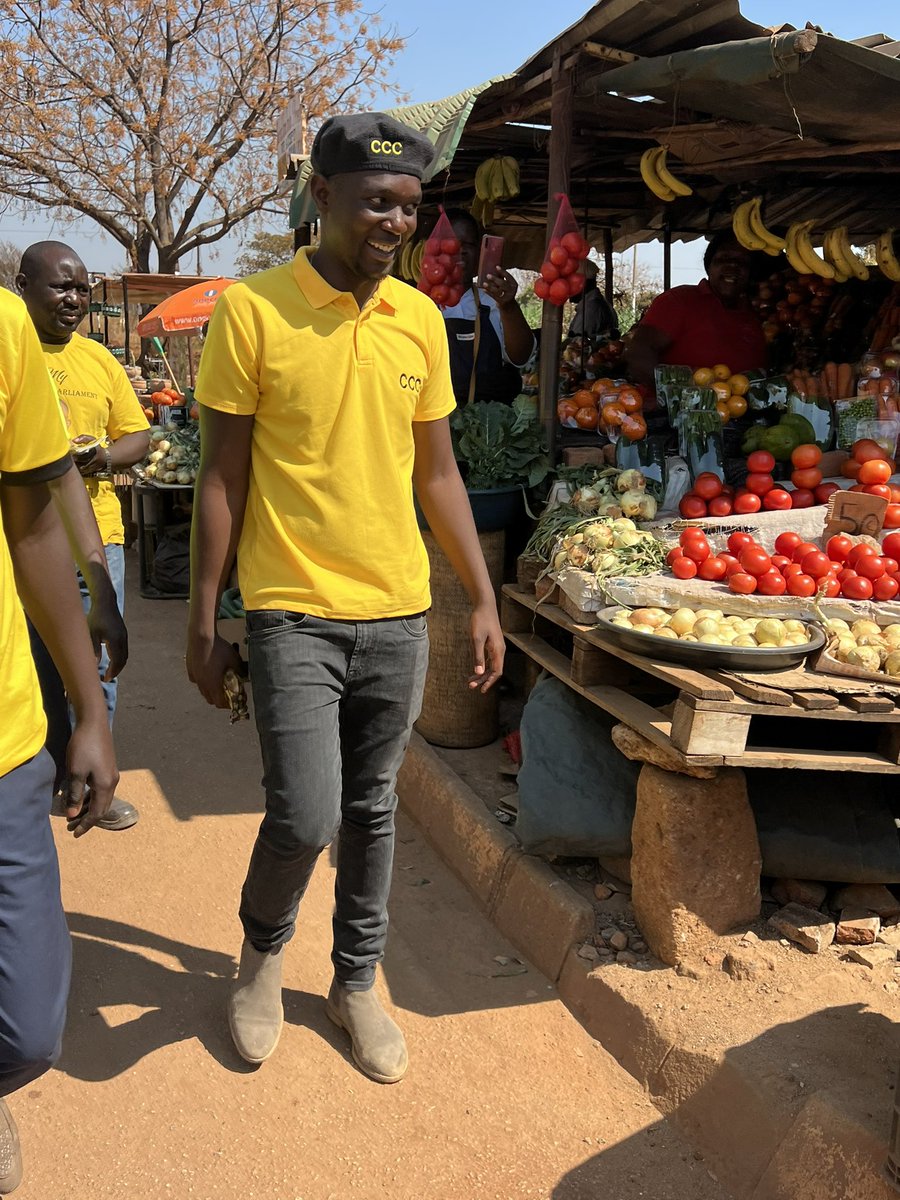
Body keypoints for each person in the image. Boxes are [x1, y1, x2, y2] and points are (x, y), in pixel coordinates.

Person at [186, 112, 505, 1084]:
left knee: (373, 809)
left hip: (400, 611)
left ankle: (356, 980)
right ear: (320, 197)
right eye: (374, 202)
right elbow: (219, 478)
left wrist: (481, 599)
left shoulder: (417, 320)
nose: (393, 223)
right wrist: (207, 618)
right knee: (308, 812)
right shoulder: (253, 312)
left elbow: (439, 474)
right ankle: (262, 950)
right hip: (292, 610)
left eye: (408, 206)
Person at [0, 287, 118, 1194]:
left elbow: (37, 510)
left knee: (27, 1030)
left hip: (4, 741)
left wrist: (91, 709)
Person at [16, 242, 150, 831]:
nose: (73, 300)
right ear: (23, 285)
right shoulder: (12, 355)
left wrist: (102, 458)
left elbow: (137, 437)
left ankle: (92, 783)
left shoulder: (99, 361)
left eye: (82, 290)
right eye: (60, 288)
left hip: (100, 538)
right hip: (21, 541)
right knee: (35, 667)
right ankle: (42, 781)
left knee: (97, 667)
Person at [625, 231, 767, 388]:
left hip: (747, 409)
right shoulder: (679, 300)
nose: (733, 266)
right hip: (687, 410)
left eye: (742, 262)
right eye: (724, 259)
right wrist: (686, 390)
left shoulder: (758, 311)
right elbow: (638, 354)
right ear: (709, 266)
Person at [441, 209, 535, 406]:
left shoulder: (493, 300)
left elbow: (521, 357)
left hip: (489, 423)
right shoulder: (420, 303)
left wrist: (508, 306)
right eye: (453, 244)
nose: (462, 250)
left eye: (469, 245)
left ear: (480, 252)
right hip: (437, 424)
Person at [567, 259, 619, 342]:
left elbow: (576, 345)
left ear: (582, 284)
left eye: (570, 283)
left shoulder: (590, 308)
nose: (567, 288)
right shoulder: (598, 303)